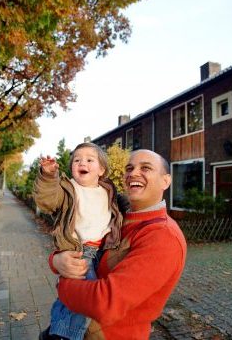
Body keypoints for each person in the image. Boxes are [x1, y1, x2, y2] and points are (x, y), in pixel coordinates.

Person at [49, 149, 187, 340]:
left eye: (145, 168)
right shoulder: (118, 218)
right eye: (129, 168)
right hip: (80, 329)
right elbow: (87, 246)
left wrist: (63, 283)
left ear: (166, 181)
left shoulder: (163, 236)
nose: (133, 173)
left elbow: (106, 303)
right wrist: (56, 260)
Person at [33, 142, 126, 340]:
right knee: (85, 294)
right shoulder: (68, 189)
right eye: (77, 160)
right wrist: (48, 176)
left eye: (89, 160)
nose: (82, 162)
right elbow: (47, 199)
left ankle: (53, 332)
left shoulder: (108, 191)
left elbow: (123, 208)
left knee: (76, 298)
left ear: (101, 170)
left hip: (102, 250)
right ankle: (63, 335)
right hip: (79, 251)